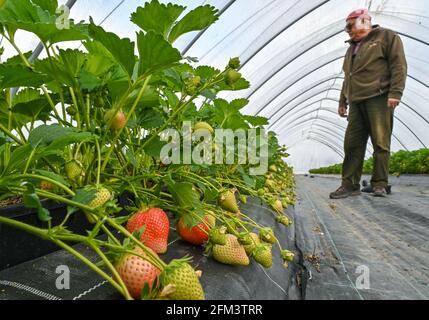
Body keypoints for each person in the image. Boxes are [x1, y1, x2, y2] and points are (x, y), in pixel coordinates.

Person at [329, 9, 407, 199]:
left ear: (364, 22)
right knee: (352, 144)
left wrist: (395, 92)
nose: (347, 30)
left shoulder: (386, 37)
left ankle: (379, 183)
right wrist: (342, 101)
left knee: (380, 142)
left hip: (379, 97)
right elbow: (348, 77)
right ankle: (349, 184)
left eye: (350, 26)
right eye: (346, 27)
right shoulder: (351, 49)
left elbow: (399, 65)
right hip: (356, 102)